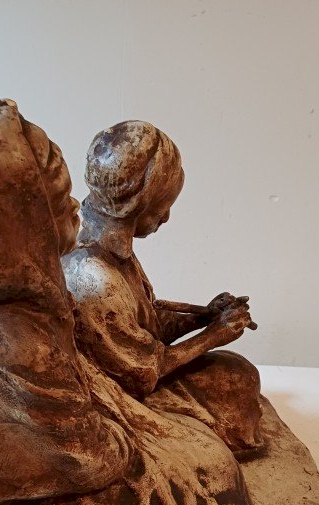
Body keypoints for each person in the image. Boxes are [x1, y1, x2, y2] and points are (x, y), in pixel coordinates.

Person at [63, 120, 265, 455]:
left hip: (136, 378)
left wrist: (204, 316)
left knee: (236, 372)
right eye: (162, 205)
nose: (167, 217)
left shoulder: (112, 254)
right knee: (237, 377)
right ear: (138, 202)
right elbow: (142, 372)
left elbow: (147, 325)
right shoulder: (95, 276)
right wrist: (214, 335)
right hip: (117, 400)